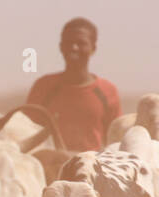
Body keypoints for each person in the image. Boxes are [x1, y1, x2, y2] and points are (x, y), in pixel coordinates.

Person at [26, 18, 122, 151]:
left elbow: (115, 142)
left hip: (90, 167)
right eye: (69, 42)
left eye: (81, 43)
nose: (74, 48)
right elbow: (25, 132)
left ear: (93, 48)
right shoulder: (43, 87)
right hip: (49, 168)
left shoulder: (107, 91)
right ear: (61, 47)